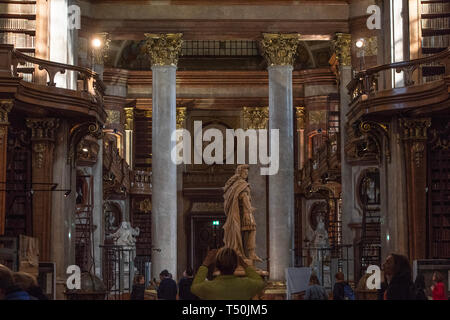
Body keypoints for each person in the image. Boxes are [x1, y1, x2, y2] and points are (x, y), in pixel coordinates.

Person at [191, 247, 265, 300]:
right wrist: (244, 265)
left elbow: (194, 287)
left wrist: (205, 264)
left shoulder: (209, 287)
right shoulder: (246, 284)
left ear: (216, 266)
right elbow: (260, 283)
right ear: (236, 265)